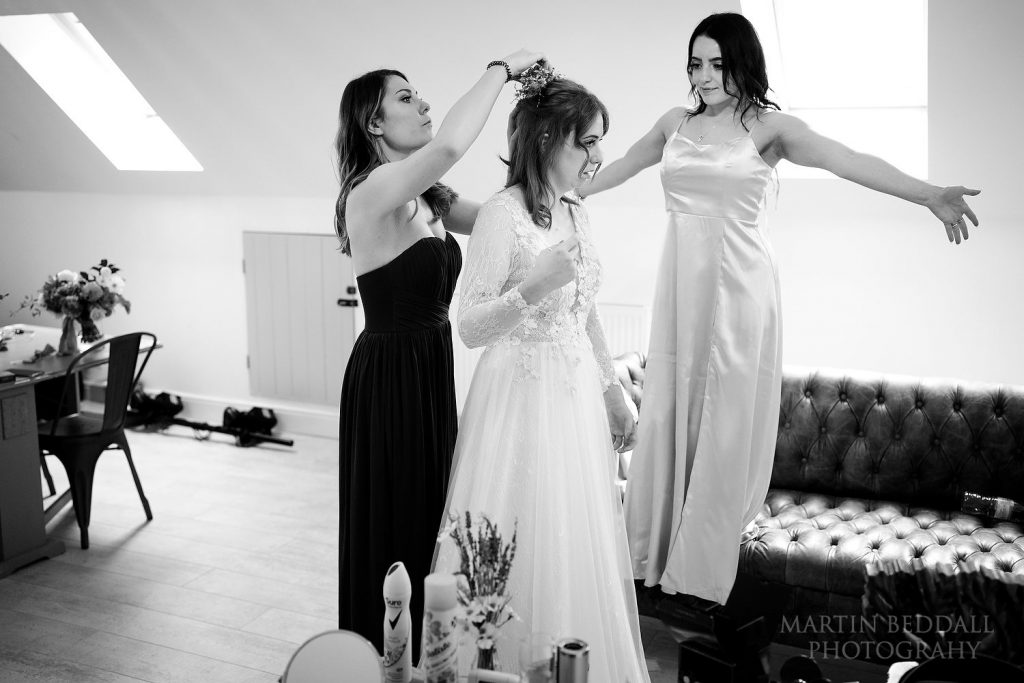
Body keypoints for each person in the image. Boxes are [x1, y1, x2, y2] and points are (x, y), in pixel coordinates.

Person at [581, 11, 980, 606]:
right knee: (671, 406)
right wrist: (554, 194)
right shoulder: (674, 123)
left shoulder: (772, 129)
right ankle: (652, 553)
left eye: (717, 62)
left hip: (742, 288)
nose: (704, 75)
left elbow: (848, 160)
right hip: (679, 286)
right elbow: (614, 169)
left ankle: (699, 566)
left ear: (744, 62)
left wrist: (928, 195)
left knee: (723, 415)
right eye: (696, 63)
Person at [432, 70, 650, 682]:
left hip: (576, 397)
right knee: (514, 537)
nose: (598, 155)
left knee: (572, 541)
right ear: (549, 138)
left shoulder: (578, 212)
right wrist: (531, 288)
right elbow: (470, 325)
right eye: (587, 141)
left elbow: (586, 310)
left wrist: (611, 387)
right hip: (517, 401)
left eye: (601, 140)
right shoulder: (503, 215)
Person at [334, 49, 543, 657]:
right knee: (396, 521)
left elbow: (500, 219)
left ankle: (432, 653)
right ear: (373, 124)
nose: (422, 104)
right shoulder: (370, 190)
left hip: (429, 371)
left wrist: (546, 155)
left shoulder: (431, 197)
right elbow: (449, 144)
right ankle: (380, 655)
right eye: (405, 98)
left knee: (431, 515)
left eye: (419, 94)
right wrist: (501, 70)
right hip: (389, 376)